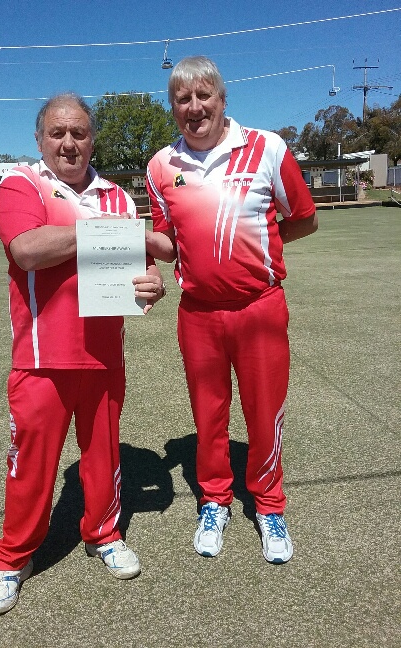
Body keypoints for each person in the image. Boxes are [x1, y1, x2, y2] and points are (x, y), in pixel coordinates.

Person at [0, 92, 166, 616]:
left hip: (104, 355)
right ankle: (12, 559)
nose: (69, 142)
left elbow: (133, 273)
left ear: (92, 139)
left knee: (104, 456)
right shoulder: (23, 182)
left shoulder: (118, 198)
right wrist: (103, 236)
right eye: (58, 133)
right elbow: (27, 248)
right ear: (40, 139)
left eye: (80, 133)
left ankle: (103, 534)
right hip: (41, 358)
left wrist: (149, 285)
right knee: (30, 469)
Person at [145, 56, 317, 564]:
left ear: (223, 100)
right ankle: (214, 499)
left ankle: (269, 504)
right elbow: (167, 241)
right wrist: (118, 241)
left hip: (259, 308)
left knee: (264, 415)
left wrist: (261, 245)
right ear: (173, 107)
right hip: (198, 314)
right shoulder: (161, 165)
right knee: (209, 415)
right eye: (183, 99)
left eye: (203, 96)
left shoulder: (267, 147)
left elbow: (303, 217)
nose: (194, 108)